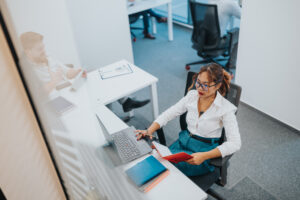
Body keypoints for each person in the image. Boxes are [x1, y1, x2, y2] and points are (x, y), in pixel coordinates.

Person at [136, 63, 241, 176]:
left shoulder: (225, 109)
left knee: (164, 169)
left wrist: (204, 156)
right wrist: (149, 130)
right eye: (198, 82)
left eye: (205, 85)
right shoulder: (192, 96)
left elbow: (235, 143)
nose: (199, 88)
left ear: (217, 86)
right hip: (181, 143)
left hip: (202, 153)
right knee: (157, 160)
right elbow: (168, 114)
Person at [20, 31, 150, 112]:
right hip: (58, 99)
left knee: (94, 73)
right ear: (28, 51)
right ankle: (124, 104)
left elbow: (67, 72)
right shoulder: (26, 70)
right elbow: (36, 95)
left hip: (70, 89)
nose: (44, 51)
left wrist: (77, 71)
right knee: (99, 89)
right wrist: (54, 81)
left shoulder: (48, 57)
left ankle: (123, 104)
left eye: (43, 47)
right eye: (39, 49)